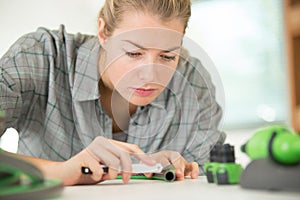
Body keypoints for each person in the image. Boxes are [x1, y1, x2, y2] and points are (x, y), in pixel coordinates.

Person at [0, 0, 225, 186]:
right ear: (104, 32)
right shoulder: (40, 57)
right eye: (134, 53)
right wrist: (62, 171)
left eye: (167, 56)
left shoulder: (192, 84)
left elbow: (209, 181)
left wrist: (151, 169)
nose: (150, 76)